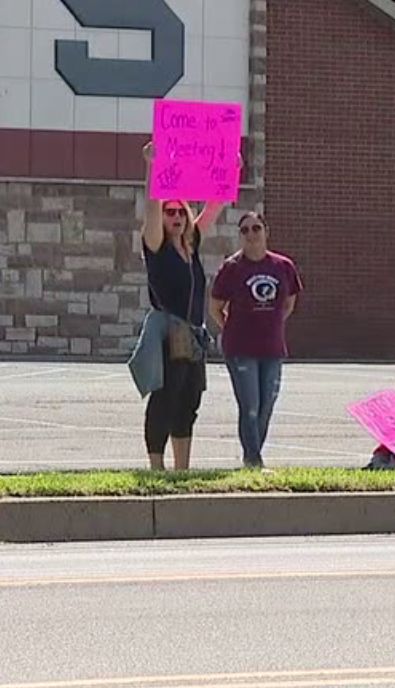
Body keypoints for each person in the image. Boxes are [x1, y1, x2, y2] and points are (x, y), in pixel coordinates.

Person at [128, 142, 224, 470]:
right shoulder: (156, 246)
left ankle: (182, 468)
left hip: (194, 335)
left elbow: (213, 208)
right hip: (169, 334)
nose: (177, 217)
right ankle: (157, 467)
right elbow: (152, 208)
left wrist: (230, 169)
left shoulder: (191, 246)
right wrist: (152, 167)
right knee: (164, 400)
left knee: (189, 401)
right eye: (171, 212)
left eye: (181, 211)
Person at [210, 209, 302, 470]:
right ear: (240, 236)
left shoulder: (283, 267)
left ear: (266, 232)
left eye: (256, 228)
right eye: (245, 230)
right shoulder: (232, 268)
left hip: (272, 347)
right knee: (249, 404)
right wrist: (232, 328)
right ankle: (253, 460)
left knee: (266, 405)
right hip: (240, 348)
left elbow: (289, 302)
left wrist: (271, 324)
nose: (251, 234)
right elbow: (215, 308)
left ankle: (253, 455)